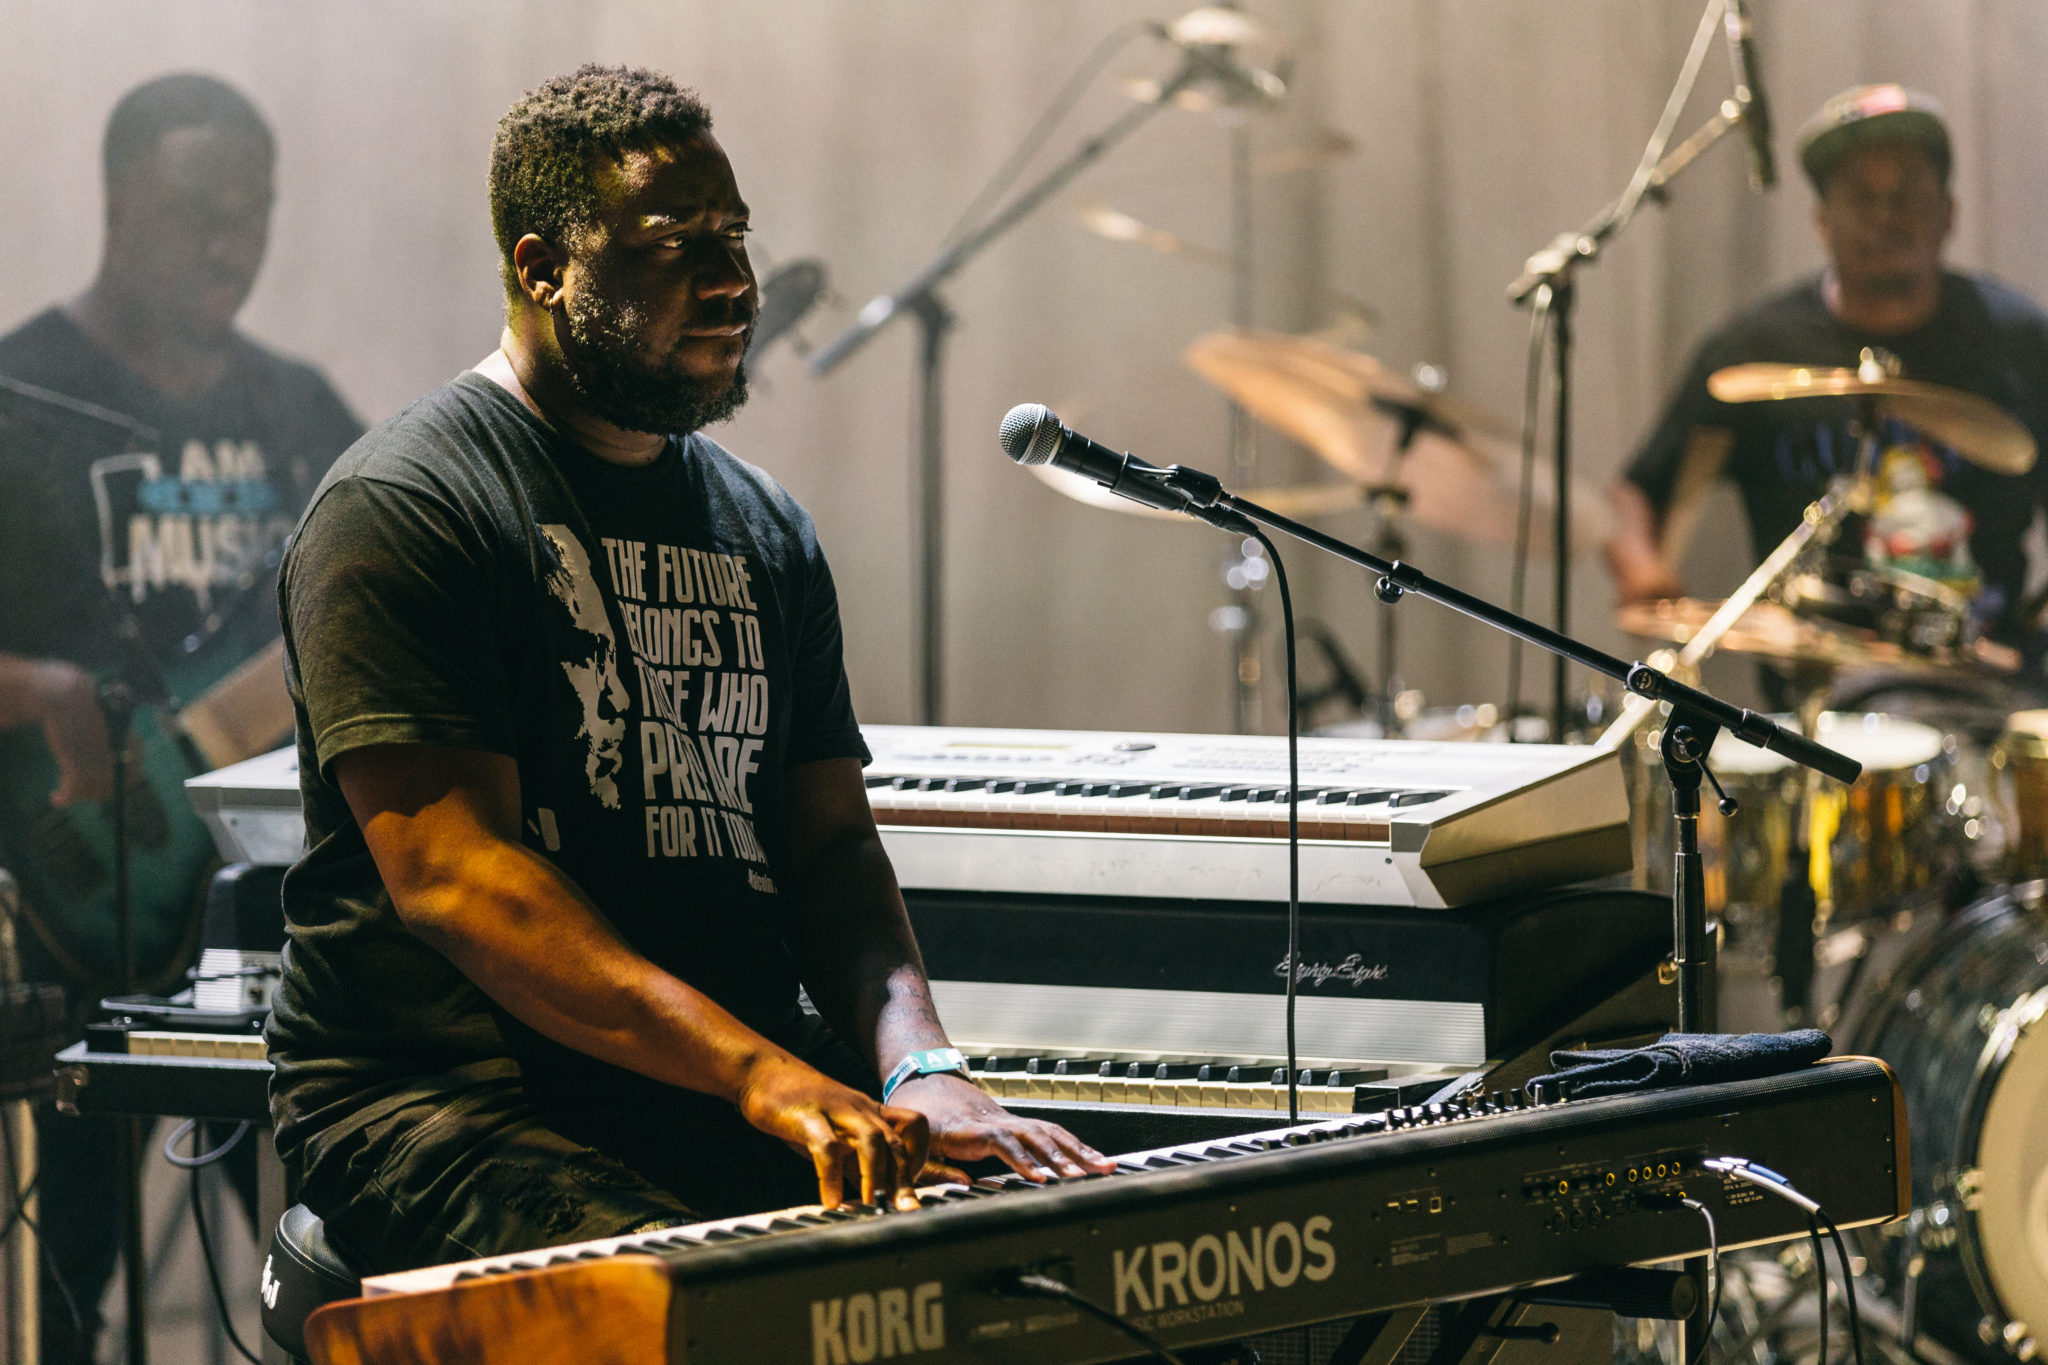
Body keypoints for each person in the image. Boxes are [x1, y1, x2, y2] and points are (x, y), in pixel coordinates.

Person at [268, 64, 1111, 1274]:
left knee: (1045, 1285)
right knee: (735, 1315)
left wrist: (923, 1071)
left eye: (734, 236)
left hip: (711, 1086)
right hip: (454, 1108)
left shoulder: (763, 528)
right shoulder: (407, 502)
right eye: (671, 245)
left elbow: (826, 849)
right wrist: (761, 1071)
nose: (731, 282)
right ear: (539, 267)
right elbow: (458, 878)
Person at [0, 73, 362, 1362]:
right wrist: (38, 691)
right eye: (193, 211)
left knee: (310, 1278)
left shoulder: (301, 413)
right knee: (58, 1300)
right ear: (114, 204)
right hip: (61, 912)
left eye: (250, 214)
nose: (227, 245)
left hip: (267, 913)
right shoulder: (18, 396)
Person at [1606, 84, 2048, 651]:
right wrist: (1645, 574)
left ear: (1948, 212)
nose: (1885, 216)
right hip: (1813, 692)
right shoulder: (1753, 348)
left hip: (1989, 681)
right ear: (1822, 221)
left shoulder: (2020, 340)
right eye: (1861, 197)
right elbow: (1635, 493)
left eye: (1908, 194)